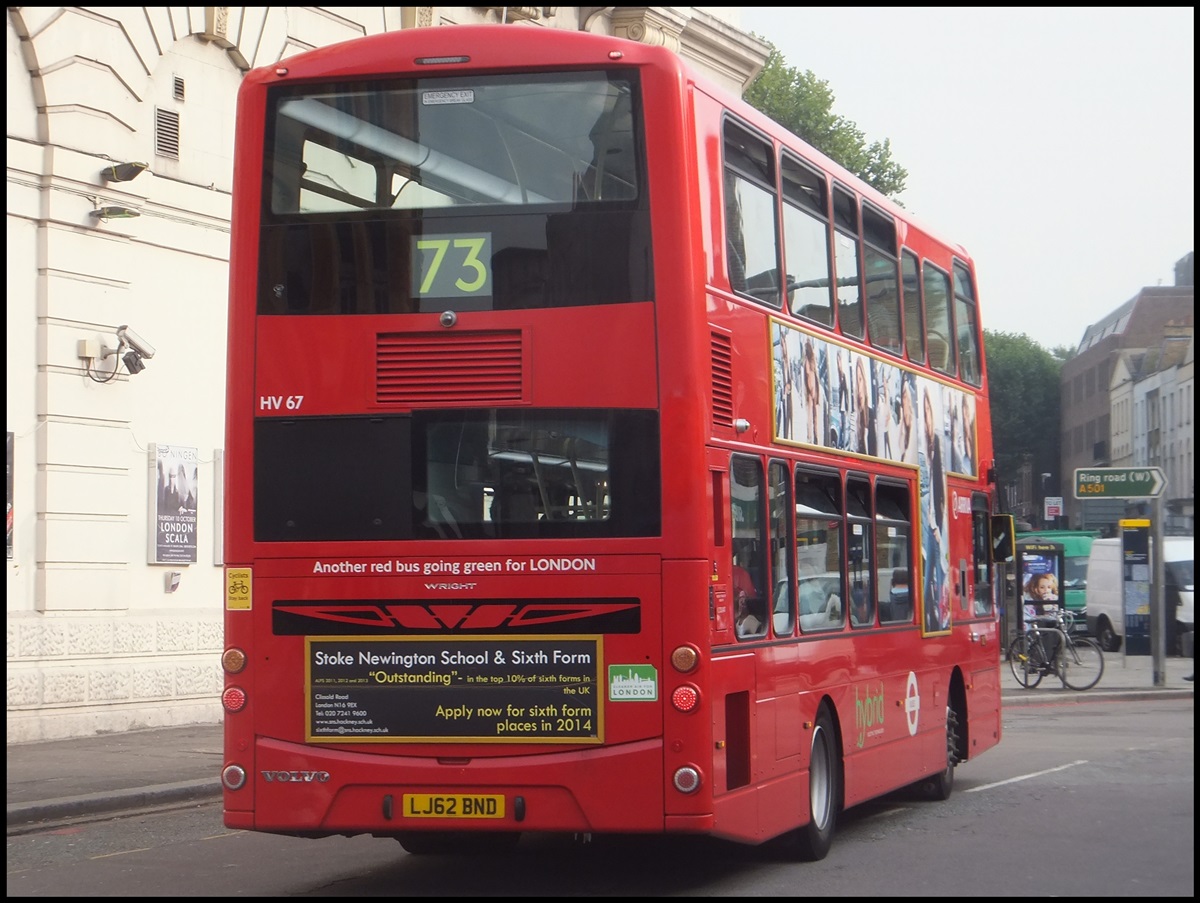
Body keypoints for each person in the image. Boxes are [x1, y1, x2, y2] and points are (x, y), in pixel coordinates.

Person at [733, 561, 763, 637]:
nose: (742, 603)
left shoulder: (751, 621)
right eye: (739, 600)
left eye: (743, 601)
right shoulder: (737, 622)